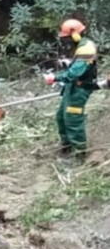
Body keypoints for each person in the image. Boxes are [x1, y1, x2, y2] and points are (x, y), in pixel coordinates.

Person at [47, 18, 99, 156]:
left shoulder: (86, 47)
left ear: (75, 35)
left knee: (73, 119)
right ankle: (66, 146)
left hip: (80, 89)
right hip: (73, 87)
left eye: (67, 38)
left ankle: (81, 152)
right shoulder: (80, 46)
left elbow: (76, 71)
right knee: (61, 117)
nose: (66, 41)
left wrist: (55, 78)